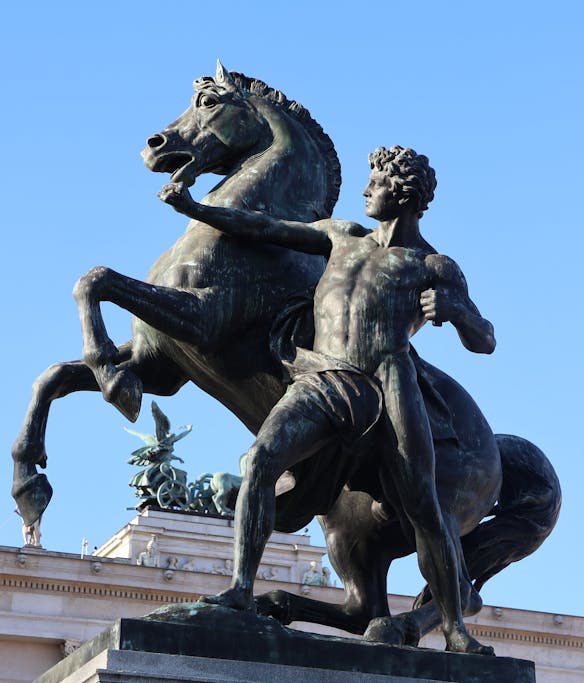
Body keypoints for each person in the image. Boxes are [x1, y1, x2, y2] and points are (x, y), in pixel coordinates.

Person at [159, 146, 495, 654]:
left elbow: (485, 338)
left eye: (375, 182)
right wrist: (195, 210)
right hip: (324, 378)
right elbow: (264, 228)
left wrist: (457, 313)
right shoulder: (341, 236)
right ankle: (240, 591)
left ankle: (455, 629)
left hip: (390, 383)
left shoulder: (432, 264)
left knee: (423, 504)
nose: (365, 191)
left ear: (401, 193)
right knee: (260, 460)